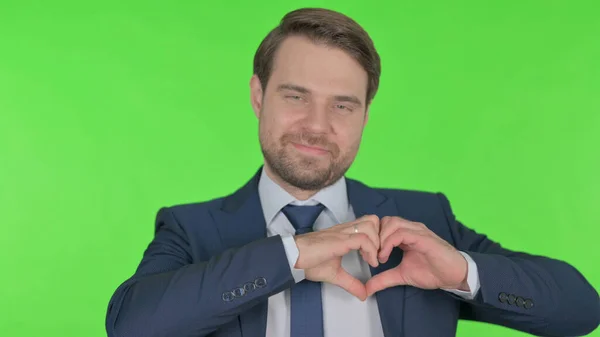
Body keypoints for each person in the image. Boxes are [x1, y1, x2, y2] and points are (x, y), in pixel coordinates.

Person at [105, 7, 600, 337]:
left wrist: (461, 273)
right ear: (259, 96)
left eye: (342, 105)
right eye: (296, 96)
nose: (316, 126)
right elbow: (130, 324)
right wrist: (291, 256)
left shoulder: (422, 219)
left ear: (365, 115)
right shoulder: (193, 229)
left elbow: (581, 309)